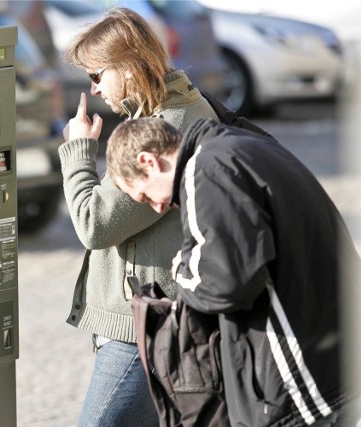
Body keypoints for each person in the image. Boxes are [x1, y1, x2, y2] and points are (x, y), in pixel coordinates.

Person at [105, 116, 361, 426]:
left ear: (149, 162)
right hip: (336, 358)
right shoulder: (242, 147)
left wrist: (183, 270)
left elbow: (227, 283)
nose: (156, 207)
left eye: (144, 195)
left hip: (299, 380)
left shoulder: (207, 171)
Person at [58, 6, 219, 426]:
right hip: (155, 320)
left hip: (144, 329)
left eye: (96, 75)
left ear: (127, 68)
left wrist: (78, 151)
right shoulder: (177, 107)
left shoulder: (166, 129)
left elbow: (94, 224)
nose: (93, 89)